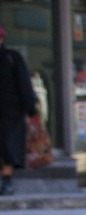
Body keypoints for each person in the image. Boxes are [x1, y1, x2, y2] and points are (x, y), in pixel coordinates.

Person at [0, 26, 39, 196]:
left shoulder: (12, 58)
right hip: (10, 112)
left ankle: (6, 182)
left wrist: (31, 110)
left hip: (11, 112)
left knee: (8, 147)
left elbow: (24, 84)